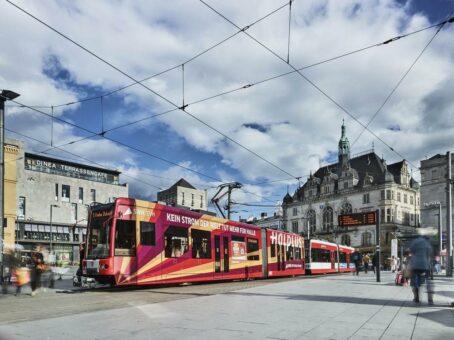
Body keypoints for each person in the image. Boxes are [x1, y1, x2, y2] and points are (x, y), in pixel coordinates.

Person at [409, 232, 434, 304]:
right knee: (428, 280)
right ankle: (430, 298)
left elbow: (412, 251)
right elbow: (429, 253)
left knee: (414, 281)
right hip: (425, 265)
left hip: (415, 264)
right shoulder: (427, 243)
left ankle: (416, 297)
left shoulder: (415, 242)